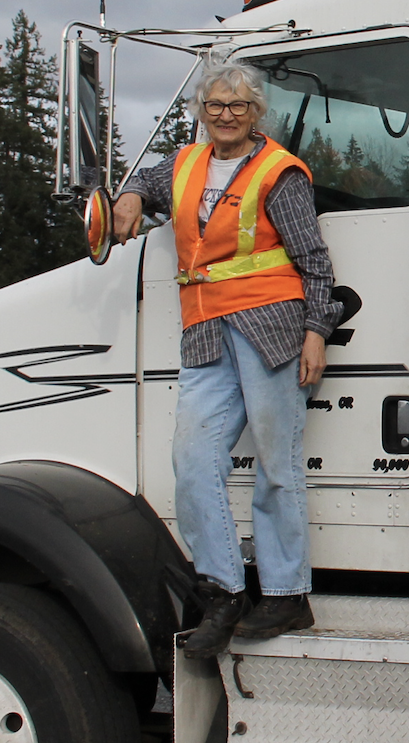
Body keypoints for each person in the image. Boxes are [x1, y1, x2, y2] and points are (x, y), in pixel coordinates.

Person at [113, 59, 338, 655]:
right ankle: (222, 592)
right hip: (206, 332)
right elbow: (145, 182)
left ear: (256, 112)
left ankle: (288, 596)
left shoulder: (278, 172)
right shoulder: (184, 164)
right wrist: (131, 195)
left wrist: (316, 331)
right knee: (192, 459)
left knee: (275, 462)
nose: (226, 116)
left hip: (271, 330)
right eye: (215, 105)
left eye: (238, 106)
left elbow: (314, 260)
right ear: (201, 111)